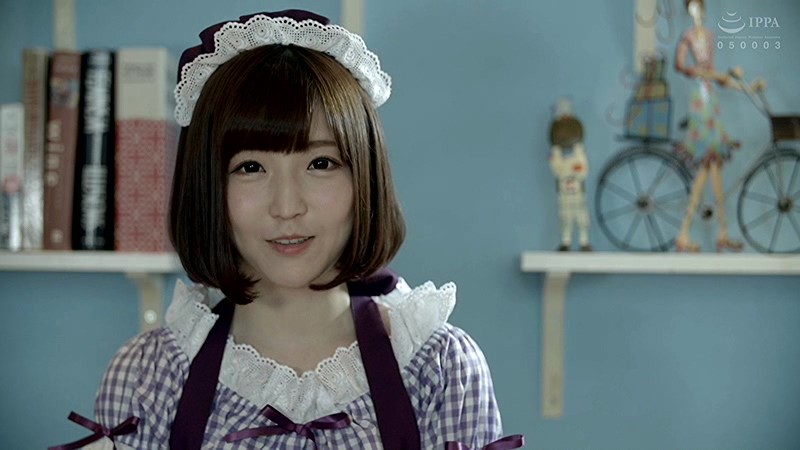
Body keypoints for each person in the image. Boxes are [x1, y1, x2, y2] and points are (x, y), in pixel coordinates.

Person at [50, 9, 524, 450]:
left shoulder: (439, 369)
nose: (287, 207)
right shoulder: (147, 377)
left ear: (365, 178)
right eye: (250, 167)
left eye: (320, 163)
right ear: (208, 186)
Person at [673, 0, 743, 252]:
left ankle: (706, 232)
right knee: (711, 167)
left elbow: (715, 75)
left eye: (699, 6)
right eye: (692, 7)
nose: (696, 12)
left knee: (711, 171)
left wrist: (742, 84)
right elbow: (682, 66)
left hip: (710, 100)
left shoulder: (710, 36)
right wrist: (712, 75)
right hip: (700, 103)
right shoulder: (687, 37)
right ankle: (714, 232)